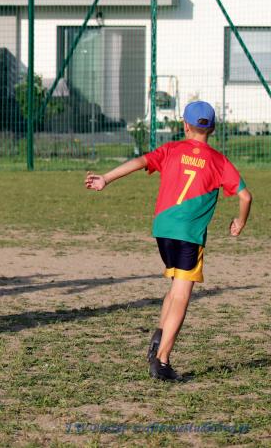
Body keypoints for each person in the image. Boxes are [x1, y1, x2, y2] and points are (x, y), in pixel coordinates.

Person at [85, 101, 252, 381]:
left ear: (185, 125)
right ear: (212, 129)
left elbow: (139, 162)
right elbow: (246, 196)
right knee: (182, 296)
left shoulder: (171, 149)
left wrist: (106, 179)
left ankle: (159, 337)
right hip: (189, 235)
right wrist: (240, 221)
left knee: (175, 288)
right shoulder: (219, 161)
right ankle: (162, 361)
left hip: (163, 230)